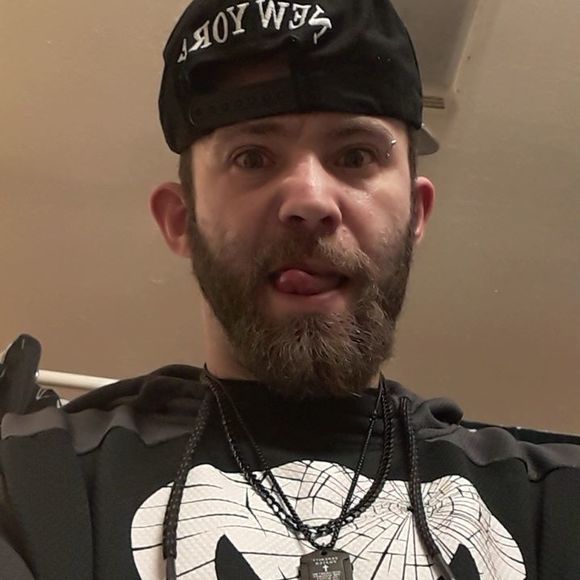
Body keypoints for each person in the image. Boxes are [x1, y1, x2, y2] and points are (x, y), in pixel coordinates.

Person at [1, 0, 579, 579]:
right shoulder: (34, 480)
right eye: (252, 157)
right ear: (181, 221)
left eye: (355, 155)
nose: (309, 200)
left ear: (416, 215)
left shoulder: (553, 502)